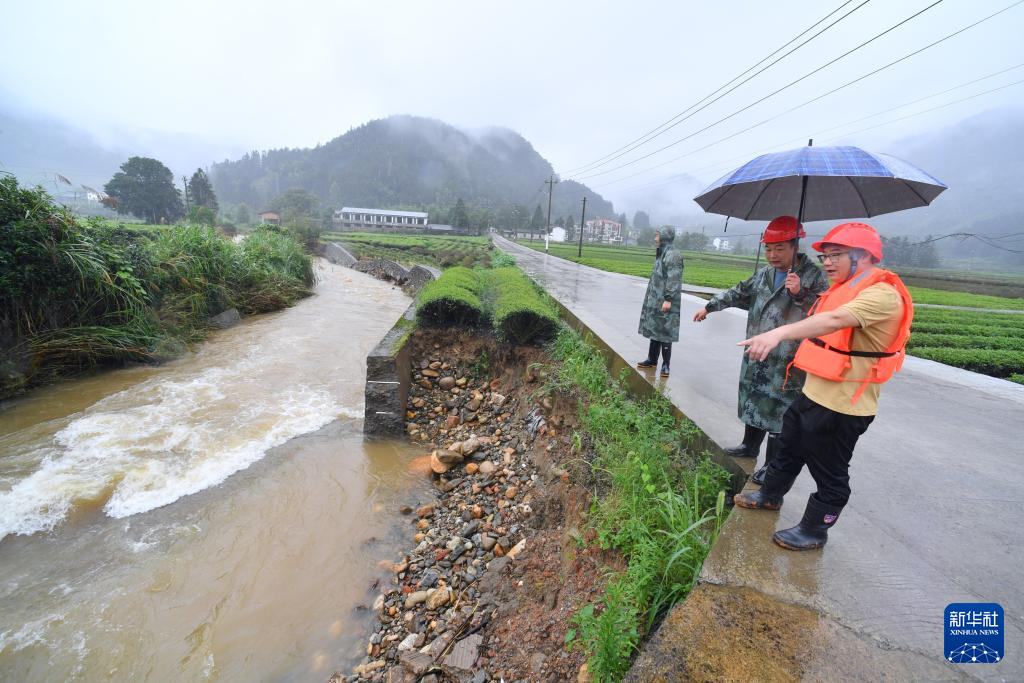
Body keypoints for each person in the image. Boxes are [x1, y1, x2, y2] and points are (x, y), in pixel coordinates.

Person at [733, 222, 913, 550]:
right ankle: (770, 495)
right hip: (813, 392)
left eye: (836, 255)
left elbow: (834, 320)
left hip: (844, 404)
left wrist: (777, 334)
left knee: (830, 471)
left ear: (863, 256)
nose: (827, 263)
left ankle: (816, 529)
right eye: (825, 256)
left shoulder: (882, 295)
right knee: (788, 448)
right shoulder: (842, 287)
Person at [693, 216, 829, 484]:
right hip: (757, 351)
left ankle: (772, 465)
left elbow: (823, 314)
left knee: (779, 412)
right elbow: (738, 292)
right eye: (768, 248)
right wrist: (709, 306)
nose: (772, 254)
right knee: (754, 399)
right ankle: (749, 446)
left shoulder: (812, 276)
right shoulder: (764, 274)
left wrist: (800, 293)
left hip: (787, 358)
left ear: (795, 246)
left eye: (779, 248)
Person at [637, 226, 684, 377]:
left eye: (657, 235)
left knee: (665, 331)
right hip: (657, 299)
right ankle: (652, 359)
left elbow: (673, 278)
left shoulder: (673, 254)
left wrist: (668, 299)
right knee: (655, 328)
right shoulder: (662, 252)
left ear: (664, 236)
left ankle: (666, 365)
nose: (655, 238)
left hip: (665, 300)